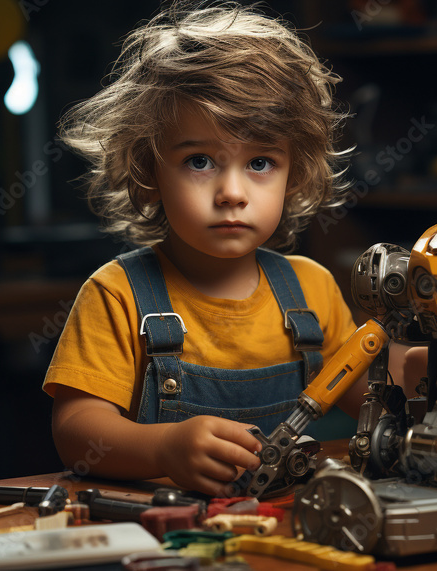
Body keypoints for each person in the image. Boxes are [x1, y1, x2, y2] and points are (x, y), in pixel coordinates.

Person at [42, 2, 365, 497]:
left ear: (294, 172)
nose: (232, 192)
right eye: (200, 161)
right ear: (148, 172)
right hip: (168, 532)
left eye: (260, 162)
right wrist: (163, 448)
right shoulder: (116, 294)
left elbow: (371, 399)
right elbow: (75, 432)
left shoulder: (313, 289)